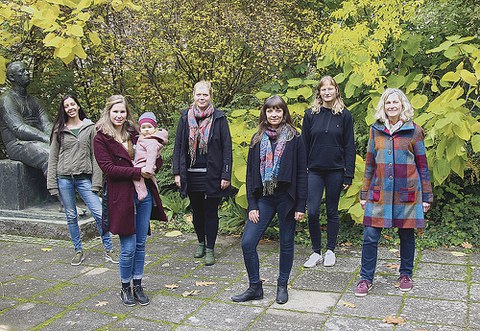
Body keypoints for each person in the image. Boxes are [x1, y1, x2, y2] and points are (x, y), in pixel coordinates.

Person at [354, 88, 433, 297]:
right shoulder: (375, 130)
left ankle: (405, 274)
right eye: (388, 103)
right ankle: (365, 278)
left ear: (402, 105)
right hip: (379, 192)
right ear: (383, 106)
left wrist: (426, 196)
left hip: (407, 193)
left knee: (406, 235)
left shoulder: (414, 131)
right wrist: (364, 193)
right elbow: (370, 163)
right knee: (370, 236)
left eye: (395, 102)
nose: (391, 106)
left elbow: (423, 166)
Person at [231, 95, 307, 304]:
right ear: (264, 113)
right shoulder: (257, 139)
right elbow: (250, 174)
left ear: (284, 113)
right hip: (264, 198)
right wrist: (252, 205)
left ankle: (282, 285)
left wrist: (301, 204)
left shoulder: (295, 138)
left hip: (287, 198)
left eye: (278, 110)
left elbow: (301, 173)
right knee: (248, 242)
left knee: (286, 242)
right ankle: (255, 287)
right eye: (270, 110)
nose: (274, 114)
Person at [93, 95, 167, 307]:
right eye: (115, 111)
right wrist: (137, 172)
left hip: (143, 195)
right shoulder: (101, 137)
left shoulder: (135, 133)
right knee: (128, 247)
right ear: (108, 112)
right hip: (121, 197)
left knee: (141, 244)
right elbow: (108, 168)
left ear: (127, 113)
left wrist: (154, 162)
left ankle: (138, 284)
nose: (119, 115)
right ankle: (125, 287)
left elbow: (153, 157)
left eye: (122, 111)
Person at [47, 95, 118, 266]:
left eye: (73, 104)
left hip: (84, 179)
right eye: (66, 106)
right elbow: (53, 157)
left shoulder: (90, 128)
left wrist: (96, 182)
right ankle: (78, 250)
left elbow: (96, 157)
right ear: (63, 109)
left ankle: (109, 250)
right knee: (71, 216)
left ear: (78, 106)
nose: (70, 108)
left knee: (100, 213)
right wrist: (52, 185)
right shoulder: (59, 130)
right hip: (64, 179)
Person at [173, 80, 232, 266]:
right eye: (198, 94)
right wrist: (177, 173)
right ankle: (200, 242)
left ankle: (210, 249)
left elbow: (226, 148)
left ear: (210, 96)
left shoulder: (220, 118)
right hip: (191, 174)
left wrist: (226, 174)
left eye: (205, 94)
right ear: (193, 96)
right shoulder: (185, 118)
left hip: (212, 174)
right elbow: (179, 147)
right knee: (197, 212)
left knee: (211, 212)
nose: (201, 98)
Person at [302, 75, 356, 268]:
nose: (327, 92)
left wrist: (348, 174)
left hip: (335, 170)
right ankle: (316, 251)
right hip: (314, 170)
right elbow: (304, 145)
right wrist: (302, 171)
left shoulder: (345, 115)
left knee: (332, 211)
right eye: (323, 89)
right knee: (313, 211)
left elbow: (350, 146)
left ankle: (331, 250)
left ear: (336, 91)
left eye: (330, 89)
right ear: (319, 92)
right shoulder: (310, 115)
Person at [0, 61, 52, 175]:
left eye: (27, 70)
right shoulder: (6, 100)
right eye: (22, 71)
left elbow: (47, 124)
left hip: (39, 141)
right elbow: (18, 128)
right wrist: (47, 139)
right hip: (17, 144)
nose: (27, 73)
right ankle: (56, 192)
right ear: (11, 77)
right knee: (50, 155)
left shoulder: (35, 101)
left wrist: (54, 138)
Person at [133, 112, 168, 201]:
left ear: (155, 128)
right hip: (142, 162)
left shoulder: (150, 141)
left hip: (145, 164)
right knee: (152, 180)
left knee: (136, 179)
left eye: (149, 127)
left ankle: (142, 193)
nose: (147, 130)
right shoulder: (143, 138)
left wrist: (149, 169)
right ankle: (156, 193)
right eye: (143, 128)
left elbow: (152, 155)